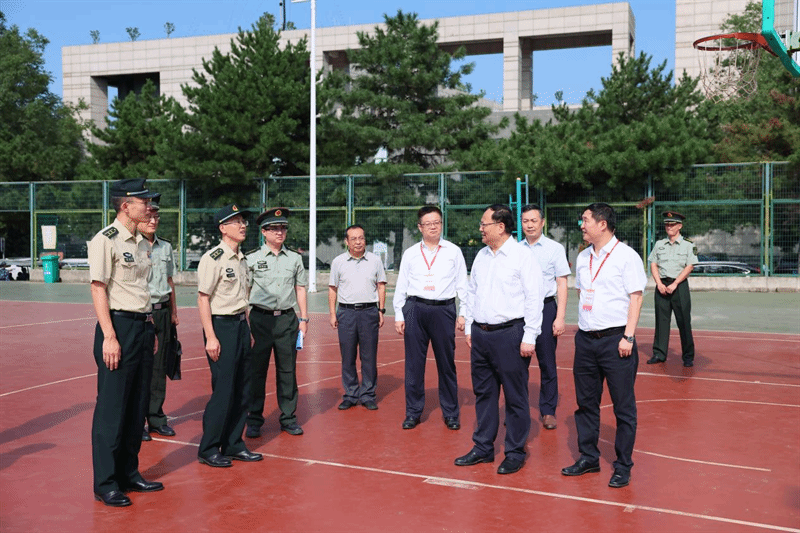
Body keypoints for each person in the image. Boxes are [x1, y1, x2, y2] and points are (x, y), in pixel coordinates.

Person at [88, 177, 162, 507]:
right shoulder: (106, 240)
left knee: (136, 408)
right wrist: (109, 336)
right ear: (126, 206)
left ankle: (129, 473)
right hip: (118, 327)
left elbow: (141, 290)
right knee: (112, 408)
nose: (149, 206)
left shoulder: (141, 242)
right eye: (143, 202)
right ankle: (106, 482)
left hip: (142, 327)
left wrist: (150, 328)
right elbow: (98, 288)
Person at [561, 202, 646, 489]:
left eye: (585, 220)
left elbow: (636, 297)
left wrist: (628, 336)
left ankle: (623, 465)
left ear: (602, 224)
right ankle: (589, 457)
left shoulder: (626, 256)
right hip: (586, 340)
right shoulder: (583, 256)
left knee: (623, 407)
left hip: (616, 340)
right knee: (586, 404)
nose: (581, 225)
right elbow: (581, 292)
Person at [455, 205, 543, 475]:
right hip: (481, 335)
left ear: (501, 227)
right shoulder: (481, 256)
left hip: (510, 334)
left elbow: (534, 298)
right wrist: (470, 327)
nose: (480, 229)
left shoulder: (522, 256)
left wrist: (530, 336)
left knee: (515, 397)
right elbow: (472, 292)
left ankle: (514, 452)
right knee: (484, 393)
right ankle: (483, 447)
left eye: (485, 224)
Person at [196, 204, 262, 467]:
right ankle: (209, 448)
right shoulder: (213, 258)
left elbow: (242, 299)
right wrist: (211, 337)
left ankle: (234, 443)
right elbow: (203, 298)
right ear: (223, 228)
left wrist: (247, 328)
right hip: (221, 327)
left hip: (240, 326)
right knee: (223, 390)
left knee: (243, 389)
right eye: (236, 222)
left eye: (244, 221)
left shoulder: (242, 259)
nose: (243, 225)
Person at [393, 205, 468, 430]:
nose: (433, 227)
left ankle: (451, 412)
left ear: (441, 224)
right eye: (428, 223)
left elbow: (462, 285)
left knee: (446, 363)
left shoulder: (453, 251)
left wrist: (464, 313)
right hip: (415, 309)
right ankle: (413, 412)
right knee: (414, 364)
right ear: (420, 227)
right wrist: (399, 314)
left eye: (437, 222)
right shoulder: (410, 253)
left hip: (443, 310)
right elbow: (402, 285)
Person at [246, 208, 309, 437]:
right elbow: (245, 291)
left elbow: (300, 288)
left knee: (287, 371)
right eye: (274, 228)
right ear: (264, 232)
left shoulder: (294, 258)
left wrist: (303, 318)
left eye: (283, 228)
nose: (280, 232)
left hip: (286, 320)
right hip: (260, 320)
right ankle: (254, 419)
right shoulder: (251, 258)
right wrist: (246, 322)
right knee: (257, 372)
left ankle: (288, 418)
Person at [519, 204, 570, 430]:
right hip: (520, 311)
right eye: (525, 221)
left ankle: (548, 410)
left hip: (546, 308)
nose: (529, 225)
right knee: (517, 364)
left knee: (547, 363)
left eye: (533, 220)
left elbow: (562, 283)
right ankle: (517, 410)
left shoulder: (554, 249)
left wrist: (560, 317)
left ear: (542, 222)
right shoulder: (515, 249)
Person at [328, 224, 387, 410]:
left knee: (369, 356)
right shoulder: (338, 262)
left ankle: (368, 394)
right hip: (346, 313)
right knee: (348, 356)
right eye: (353, 239)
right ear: (346, 241)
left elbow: (381, 286)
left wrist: (381, 310)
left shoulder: (375, 261)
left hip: (369, 312)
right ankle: (351, 394)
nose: (358, 242)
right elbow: (332, 289)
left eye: (361, 238)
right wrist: (332, 313)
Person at [137, 197, 179, 441]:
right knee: (141, 368)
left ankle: (156, 418)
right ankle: (137, 421)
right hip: (143, 312)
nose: (153, 221)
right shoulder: (134, 246)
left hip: (163, 311)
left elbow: (170, 281)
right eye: (149, 217)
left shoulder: (165, 247)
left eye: (156, 217)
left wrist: (174, 312)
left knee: (160, 365)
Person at [647, 211, 698, 367]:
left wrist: (675, 283)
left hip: (679, 286)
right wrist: (658, 283)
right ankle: (659, 353)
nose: (669, 227)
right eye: (667, 224)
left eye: (672, 224)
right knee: (661, 321)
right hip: (662, 285)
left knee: (684, 322)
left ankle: (688, 356)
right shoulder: (659, 244)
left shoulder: (689, 245)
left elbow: (690, 266)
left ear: (680, 226)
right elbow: (653, 263)